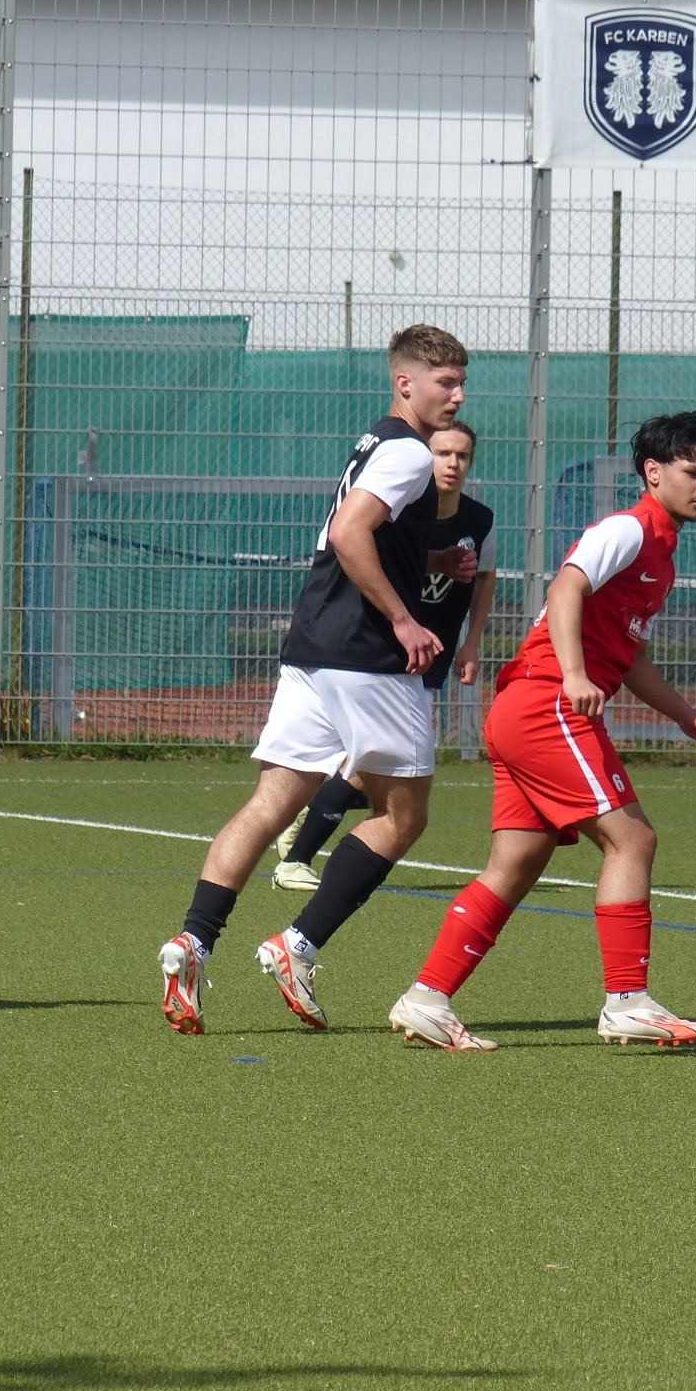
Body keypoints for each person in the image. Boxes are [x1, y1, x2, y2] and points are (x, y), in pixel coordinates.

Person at [157, 324, 476, 1035]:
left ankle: (194, 941)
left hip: (312, 648)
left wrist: (430, 564)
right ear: (404, 383)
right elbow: (348, 534)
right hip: (368, 659)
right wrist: (403, 618)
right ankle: (296, 945)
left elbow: (357, 539)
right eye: (445, 382)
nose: (457, 395)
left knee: (270, 803)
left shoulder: (375, 441)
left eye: (461, 383)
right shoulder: (408, 451)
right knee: (404, 817)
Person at [384, 411, 696, 1052]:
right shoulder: (628, 529)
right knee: (633, 840)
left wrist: (683, 714)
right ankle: (627, 1002)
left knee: (516, 864)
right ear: (653, 473)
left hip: (524, 707)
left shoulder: (662, 552)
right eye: (692, 472)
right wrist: (573, 674)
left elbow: (629, 656)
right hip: (547, 705)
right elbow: (567, 588)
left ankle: (426, 997)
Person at [269, 421, 496, 892]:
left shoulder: (479, 519)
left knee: (375, 766)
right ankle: (297, 856)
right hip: (386, 651)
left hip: (431, 649)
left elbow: (485, 578)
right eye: (443, 453)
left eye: (462, 455)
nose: (452, 463)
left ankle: (304, 832)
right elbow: (355, 542)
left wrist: (472, 642)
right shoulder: (403, 506)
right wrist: (401, 618)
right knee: (376, 766)